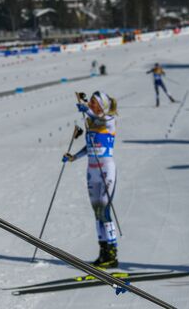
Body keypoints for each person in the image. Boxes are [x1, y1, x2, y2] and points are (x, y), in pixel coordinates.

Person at [62, 91, 119, 268]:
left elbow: (101, 120)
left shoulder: (109, 120)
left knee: (105, 210)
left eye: (94, 103)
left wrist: (86, 110)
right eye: (91, 102)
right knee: (97, 213)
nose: (92, 105)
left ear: (102, 105)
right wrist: (74, 157)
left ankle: (112, 252)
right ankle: (103, 251)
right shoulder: (92, 123)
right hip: (92, 170)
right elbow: (90, 146)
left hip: (106, 170)